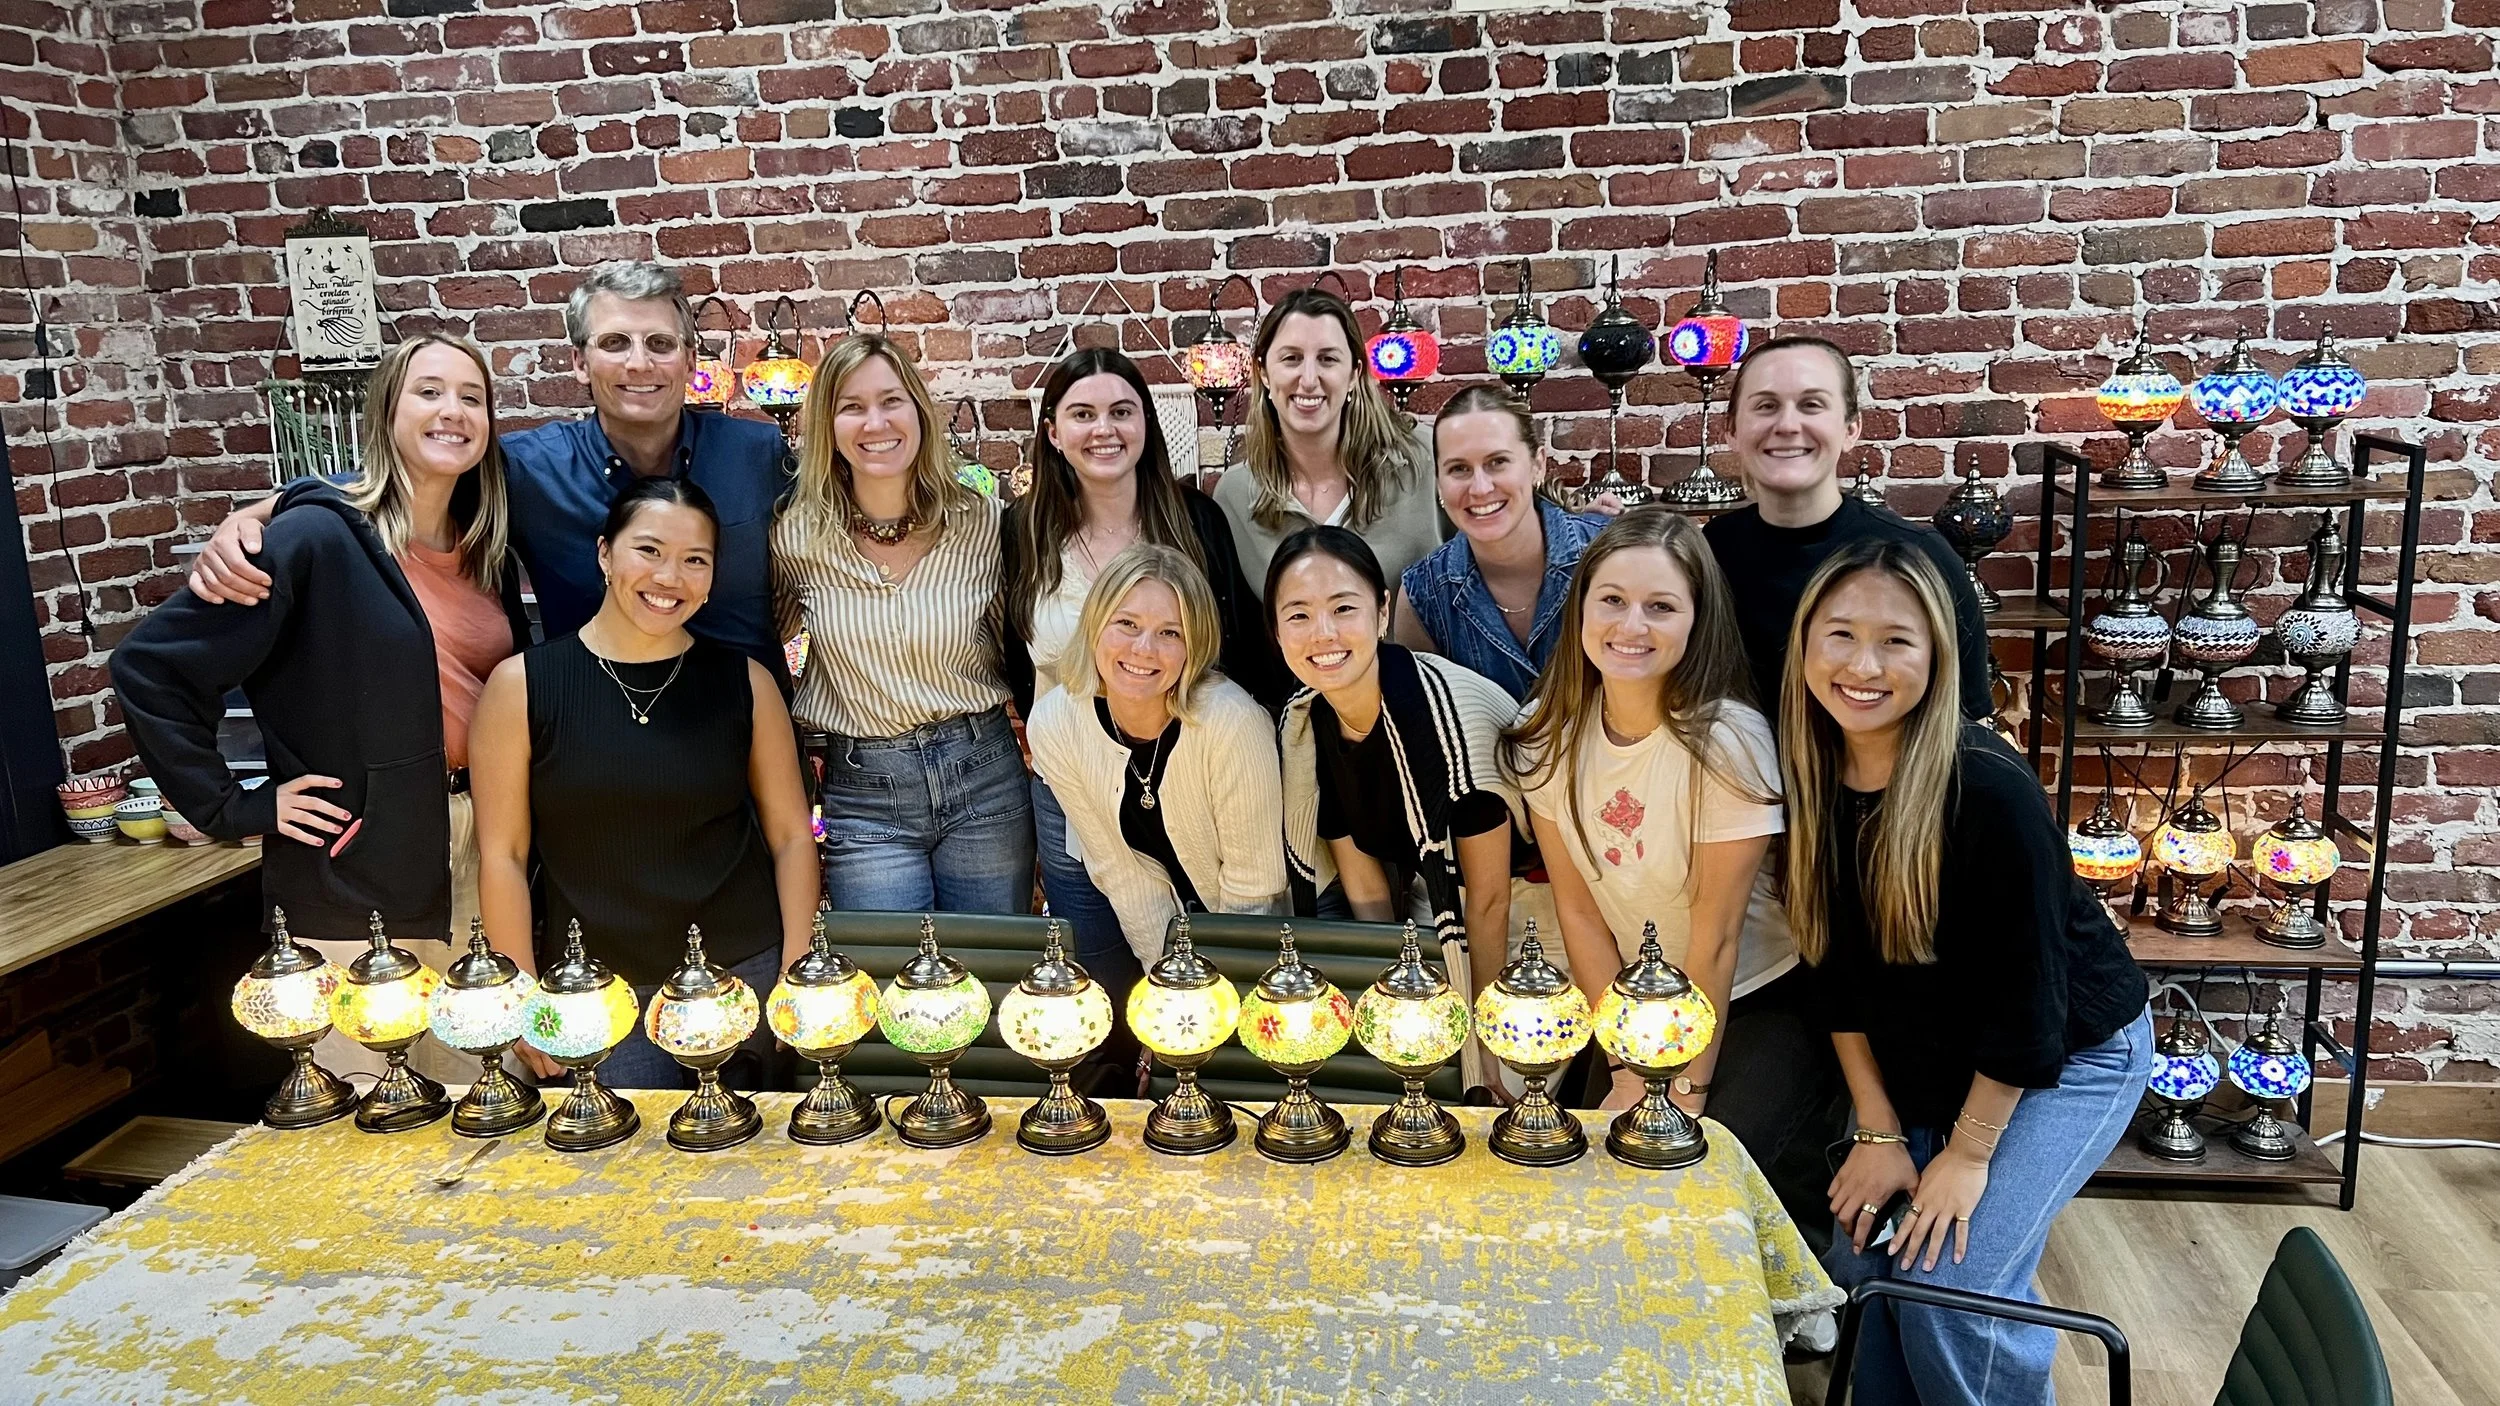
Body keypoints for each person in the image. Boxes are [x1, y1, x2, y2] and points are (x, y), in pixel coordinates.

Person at [1784, 540, 2150, 1406]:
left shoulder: (1989, 791)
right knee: (1869, 1264)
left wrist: (1967, 1154)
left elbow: (2029, 1008)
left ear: (1941, 656)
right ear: (1803, 646)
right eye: (1838, 635)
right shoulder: (1812, 773)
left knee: (1952, 1281)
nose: (1861, 666)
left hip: (2068, 1055)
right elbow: (1830, 972)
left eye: (1895, 642)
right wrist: (1879, 1131)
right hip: (1936, 1062)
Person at [113, 334, 532, 1084]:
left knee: (487, 1091)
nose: (453, 411)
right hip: (359, 869)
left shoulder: (486, 547)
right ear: (386, 411)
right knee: (375, 1101)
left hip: (479, 849)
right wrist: (234, 808)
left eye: (472, 397)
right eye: (429, 392)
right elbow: (150, 669)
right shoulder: (314, 538)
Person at [185, 261, 795, 677]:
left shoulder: (758, 454)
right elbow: (400, 482)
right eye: (615, 343)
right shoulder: (529, 470)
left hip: (751, 739)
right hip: (595, 749)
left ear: (691, 359)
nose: (640, 363)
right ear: (579, 363)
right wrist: (258, 512)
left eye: (660, 344)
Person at [1504, 506, 1838, 1244]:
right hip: (1637, 1000)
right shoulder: (1548, 736)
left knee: (1705, 1175)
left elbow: (1715, 936)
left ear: (1697, 620)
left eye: (1661, 606)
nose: (1632, 625)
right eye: (1613, 601)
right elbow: (1582, 913)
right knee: (1591, 1168)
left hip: (1755, 995)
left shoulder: (1727, 741)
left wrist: (1680, 1088)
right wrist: (1624, 1060)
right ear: (1581, 609)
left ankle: (1805, 1300)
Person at [470, 476, 818, 1089]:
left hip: (743, 980)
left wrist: (796, 964)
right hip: (597, 993)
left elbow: (792, 836)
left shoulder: (746, 683)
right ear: (605, 553)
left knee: (748, 1170)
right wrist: (519, 993)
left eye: (695, 561)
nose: (669, 577)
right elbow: (504, 855)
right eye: (649, 550)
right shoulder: (522, 686)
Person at [1003, 350, 1277, 980]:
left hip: (1189, 767)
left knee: (1212, 929)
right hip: (1073, 774)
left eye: (1122, 412)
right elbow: (1019, 657)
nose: (1105, 429)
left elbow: (1230, 647)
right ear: (1052, 431)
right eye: (1083, 414)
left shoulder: (1193, 519)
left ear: (1146, 425)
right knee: (1100, 963)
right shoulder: (1025, 531)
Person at [775, 333, 1033, 913]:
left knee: (992, 967)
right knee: (888, 980)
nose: (875, 422)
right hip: (866, 790)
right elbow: (760, 643)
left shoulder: (985, 524)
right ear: (828, 427)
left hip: (984, 775)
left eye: (891, 400)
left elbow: (1027, 641)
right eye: (852, 406)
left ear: (918, 410)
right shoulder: (795, 537)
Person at [1271, 526, 1521, 1006]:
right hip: (1434, 899)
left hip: (1524, 915)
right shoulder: (1310, 723)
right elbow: (1364, 884)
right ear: (1277, 632)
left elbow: (1491, 902)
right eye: (1298, 615)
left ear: (1383, 611)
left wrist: (1482, 1033)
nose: (1323, 633)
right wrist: (1391, 992)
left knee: (1488, 1072)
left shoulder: (1446, 718)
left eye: (1344, 608)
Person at [1026, 544, 1286, 985]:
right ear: (1094, 626)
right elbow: (1124, 876)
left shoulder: (1232, 723)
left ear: (1195, 645)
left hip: (1272, 935)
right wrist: (1171, 989)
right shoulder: (1055, 724)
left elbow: (1253, 893)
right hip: (1174, 938)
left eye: (1171, 633)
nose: (1144, 649)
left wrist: (1220, 1001)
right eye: (1126, 624)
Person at [1701, 335, 1992, 722]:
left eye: (1812, 405)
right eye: (1766, 406)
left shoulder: (1922, 558)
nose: (1787, 424)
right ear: (1732, 431)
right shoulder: (1711, 550)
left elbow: (1969, 726)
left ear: (1851, 429)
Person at [1213, 287, 1446, 600]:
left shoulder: (1426, 456)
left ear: (1353, 374)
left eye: (1327, 359)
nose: (1309, 379)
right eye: (1292, 358)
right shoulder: (1236, 494)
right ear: (1264, 373)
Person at [1393, 385, 1611, 701]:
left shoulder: (1609, 552)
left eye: (1498, 462)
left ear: (1538, 465)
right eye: (1459, 469)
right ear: (1438, 481)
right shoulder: (1423, 595)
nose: (1480, 488)